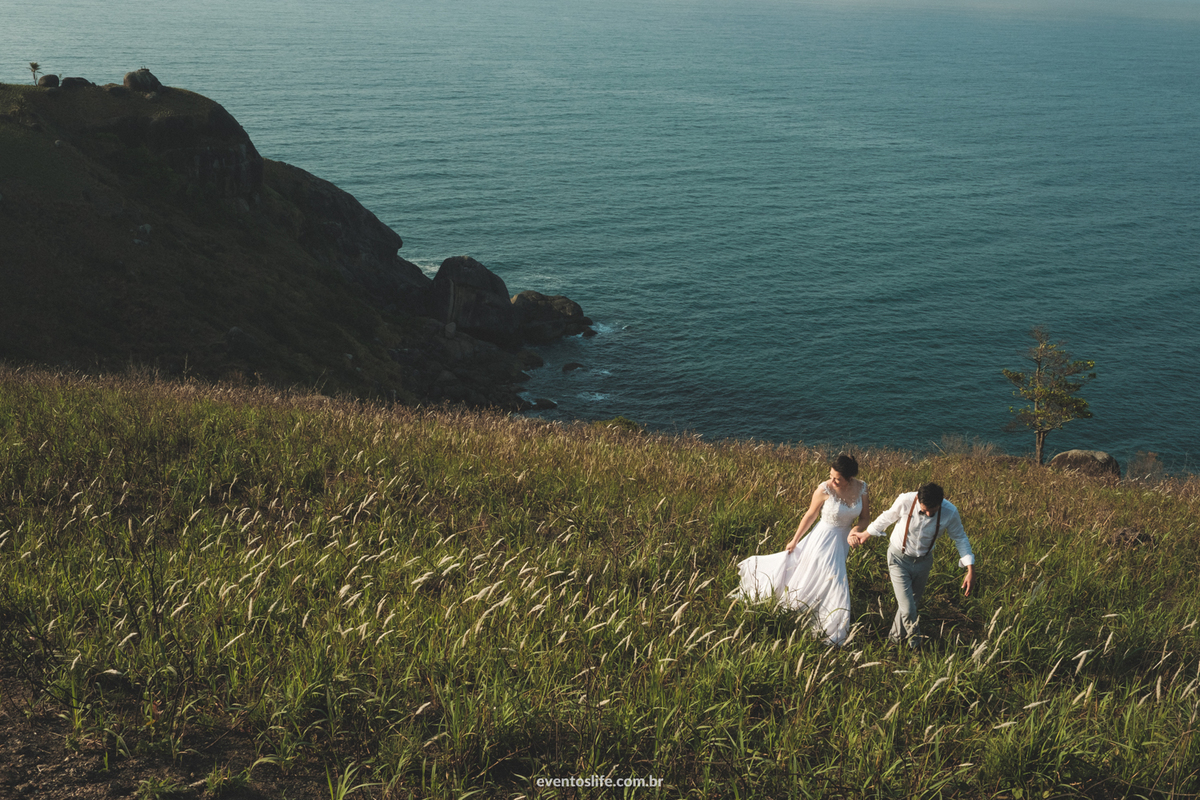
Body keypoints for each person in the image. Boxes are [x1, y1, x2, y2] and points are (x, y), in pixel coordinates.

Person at [735, 454, 868, 646]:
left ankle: (809, 611)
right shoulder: (825, 489)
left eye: (837, 478)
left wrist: (855, 531)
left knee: (820, 576)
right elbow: (811, 514)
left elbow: (865, 518)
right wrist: (794, 540)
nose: (832, 480)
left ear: (849, 478)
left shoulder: (862, 488)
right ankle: (833, 629)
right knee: (836, 578)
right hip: (822, 539)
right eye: (831, 475)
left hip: (843, 541)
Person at [848, 482, 976, 650]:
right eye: (924, 510)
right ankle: (916, 644)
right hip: (898, 559)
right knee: (908, 609)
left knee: (909, 606)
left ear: (941, 502)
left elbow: (960, 537)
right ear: (917, 500)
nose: (929, 514)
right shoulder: (906, 500)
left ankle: (893, 643)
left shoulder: (950, 512)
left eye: (934, 510)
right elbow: (887, 517)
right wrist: (866, 534)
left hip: (924, 562)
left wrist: (970, 569)